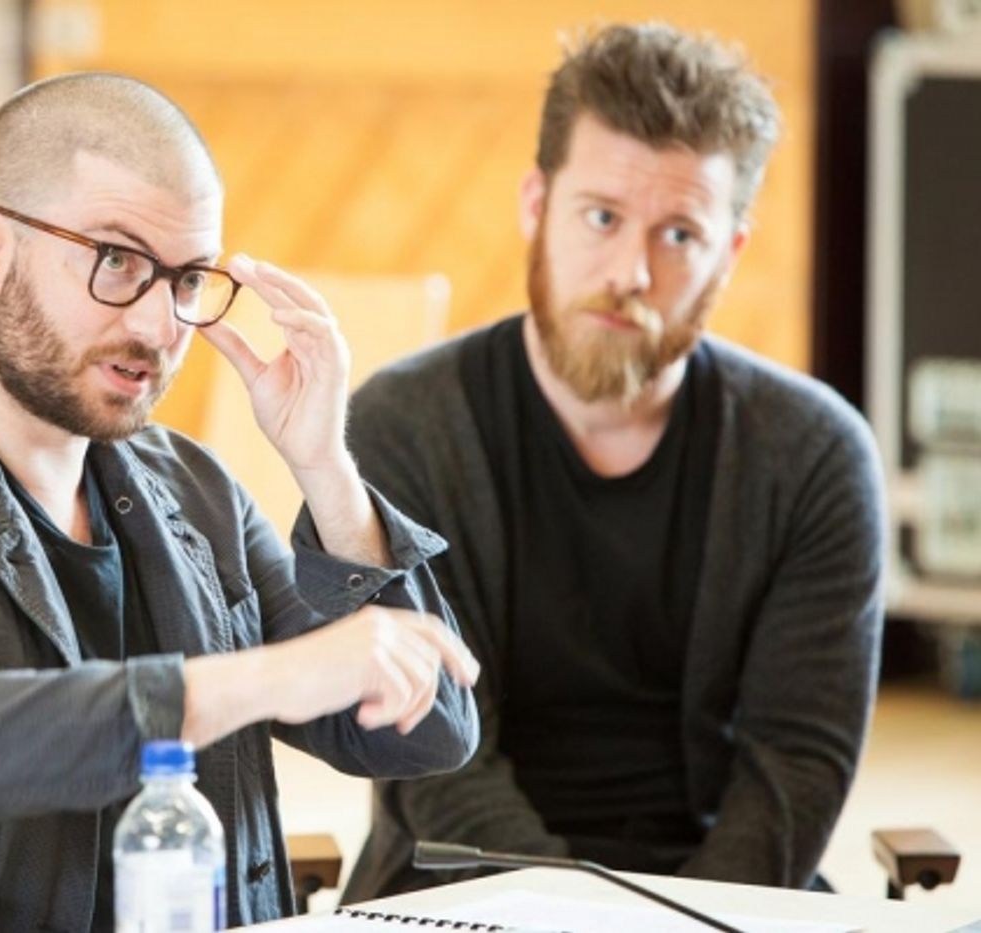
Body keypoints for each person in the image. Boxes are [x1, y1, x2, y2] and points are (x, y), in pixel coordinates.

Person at [0, 72, 479, 932]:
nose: (161, 327)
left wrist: (325, 467)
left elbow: (427, 732)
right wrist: (268, 676)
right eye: (118, 261)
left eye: (187, 279)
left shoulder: (195, 492)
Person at [343, 22, 884, 900]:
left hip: (726, 903)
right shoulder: (404, 426)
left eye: (679, 235)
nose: (630, 270)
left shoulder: (814, 456)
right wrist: (588, 918)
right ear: (536, 205)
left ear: (730, 253)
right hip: (462, 891)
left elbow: (795, 770)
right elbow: (436, 760)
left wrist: (678, 922)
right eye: (602, 217)